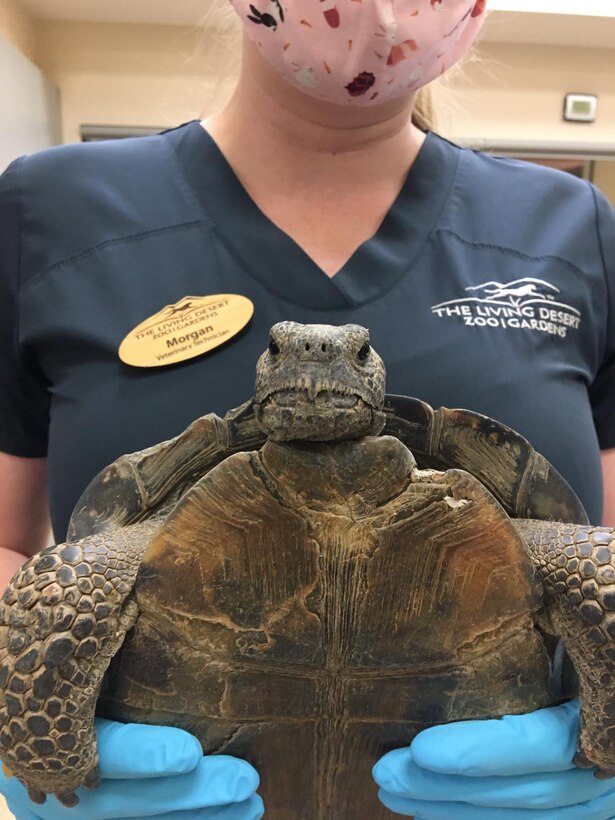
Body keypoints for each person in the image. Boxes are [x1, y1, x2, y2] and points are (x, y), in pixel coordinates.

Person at [0, 0, 614, 817]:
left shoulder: (579, 231)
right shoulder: (46, 210)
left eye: (351, 354)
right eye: (286, 351)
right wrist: (40, 734)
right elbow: (13, 551)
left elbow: (600, 548)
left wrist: (604, 742)